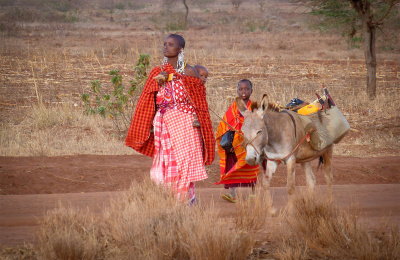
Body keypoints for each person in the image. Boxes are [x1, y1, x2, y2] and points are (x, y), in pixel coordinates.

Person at [125, 34, 215, 204]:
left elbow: (199, 103)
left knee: (182, 164)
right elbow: (147, 100)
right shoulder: (157, 72)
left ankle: (184, 203)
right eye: (164, 44)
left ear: (180, 49)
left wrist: (199, 121)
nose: (165, 47)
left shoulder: (189, 72)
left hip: (186, 125)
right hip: (163, 124)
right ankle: (167, 202)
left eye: (171, 44)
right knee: (166, 162)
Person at [215, 79, 259, 203]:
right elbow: (225, 121)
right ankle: (232, 194)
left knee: (251, 168)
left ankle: (254, 193)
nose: (243, 92)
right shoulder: (233, 106)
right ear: (237, 91)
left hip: (249, 143)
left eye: (246, 89)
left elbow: (258, 123)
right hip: (234, 144)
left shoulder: (254, 106)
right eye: (241, 89)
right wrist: (234, 125)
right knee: (232, 168)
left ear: (251, 90)